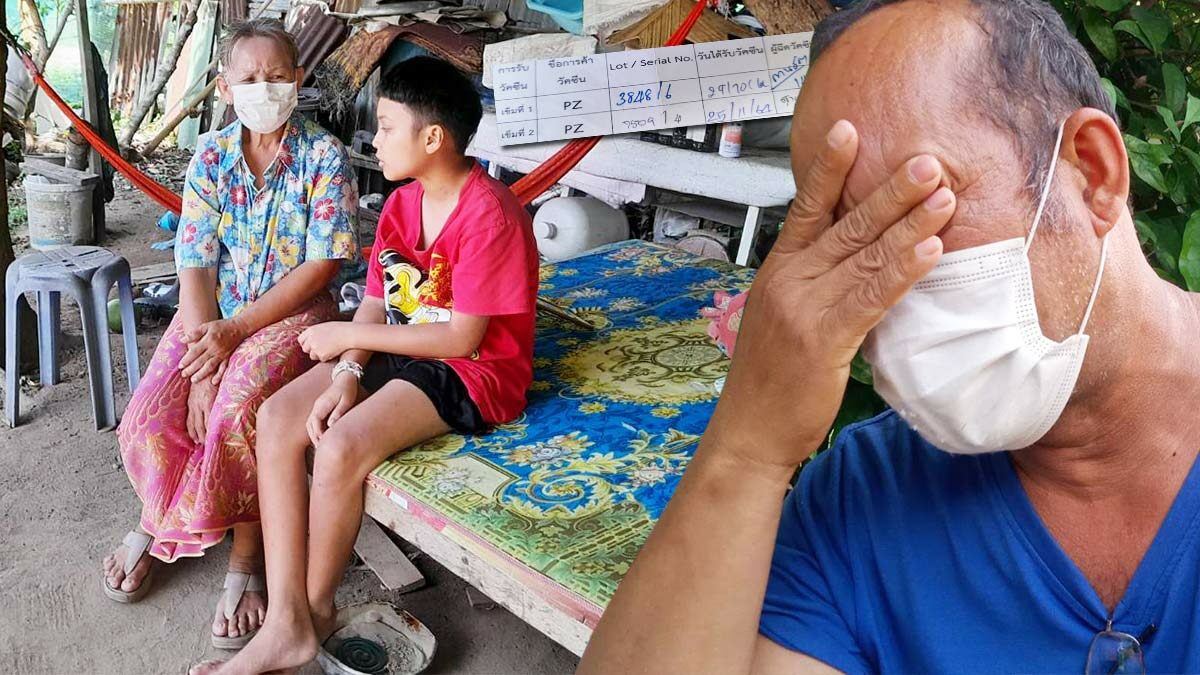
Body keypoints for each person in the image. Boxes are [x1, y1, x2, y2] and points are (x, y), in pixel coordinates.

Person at [580, 0, 1200, 672]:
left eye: (916, 209)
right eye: (842, 242)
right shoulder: (862, 500)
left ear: (1093, 174)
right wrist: (747, 448)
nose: (878, 282)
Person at [191, 56, 539, 675]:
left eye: (387, 127)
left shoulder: (491, 215)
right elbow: (377, 301)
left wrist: (349, 339)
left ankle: (315, 612)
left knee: (340, 446)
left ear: (433, 138)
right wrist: (349, 371)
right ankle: (285, 620)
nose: (375, 141)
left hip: (473, 371)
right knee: (277, 419)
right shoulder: (402, 205)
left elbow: (463, 339)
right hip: (400, 344)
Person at [103, 18, 358, 651]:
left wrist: (234, 336)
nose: (264, 88)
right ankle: (159, 520)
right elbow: (195, 261)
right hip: (216, 312)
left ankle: (245, 560)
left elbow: (322, 264)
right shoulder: (211, 157)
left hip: (295, 313)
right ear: (224, 87)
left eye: (277, 76)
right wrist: (203, 360)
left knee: (237, 410)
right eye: (249, 78)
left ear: (298, 80)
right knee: (150, 413)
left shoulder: (324, 157)